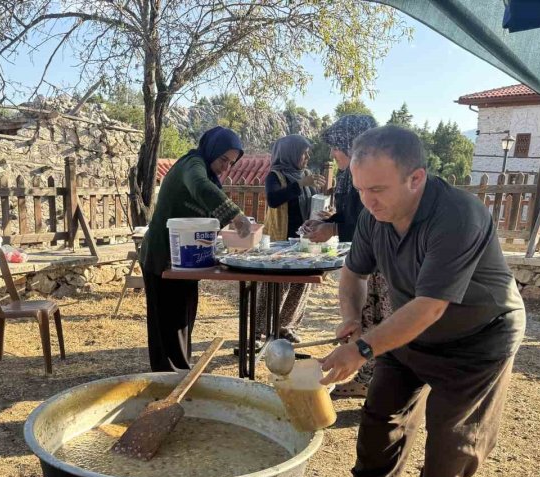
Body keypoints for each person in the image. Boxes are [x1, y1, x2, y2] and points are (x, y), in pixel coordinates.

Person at [305, 125, 526, 477]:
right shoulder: (376, 216)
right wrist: (351, 318)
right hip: (411, 328)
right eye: (360, 188)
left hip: (479, 333)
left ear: (416, 178)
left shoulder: (458, 215)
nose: (368, 201)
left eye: (378, 189)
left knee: (454, 428)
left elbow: (431, 306)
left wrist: (363, 348)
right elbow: (353, 273)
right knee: (382, 409)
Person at [139, 126, 254, 372]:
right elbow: (200, 187)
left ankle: (179, 373)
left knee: (183, 318)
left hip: (186, 258)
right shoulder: (192, 165)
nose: (226, 167)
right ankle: (166, 378)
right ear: (212, 149)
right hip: (163, 257)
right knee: (167, 322)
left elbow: (208, 216)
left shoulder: (209, 174)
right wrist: (236, 215)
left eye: (232, 163)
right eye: (224, 159)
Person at [301, 114, 391, 396]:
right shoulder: (346, 175)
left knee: (384, 320)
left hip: (383, 257)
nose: (332, 152)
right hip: (362, 254)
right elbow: (354, 215)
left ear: (353, 145)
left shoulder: (376, 176)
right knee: (364, 317)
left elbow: (374, 218)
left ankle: (381, 382)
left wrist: (334, 227)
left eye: (336, 146)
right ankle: (365, 379)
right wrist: (328, 223)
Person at [258, 135, 327, 343]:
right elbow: (273, 200)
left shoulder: (306, 175)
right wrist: (299, 184)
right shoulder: (275, 176)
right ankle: (258, 330)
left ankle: (284, 326)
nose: (307, 157)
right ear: (290, 153)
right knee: (276, 285)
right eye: (303, 153)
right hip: (280, 240)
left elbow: (313, 203)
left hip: (303, 239)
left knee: (300, 284)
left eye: (307, 153)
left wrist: (325, 206)